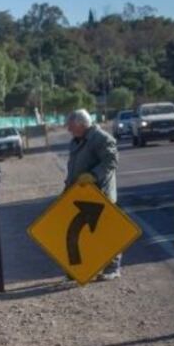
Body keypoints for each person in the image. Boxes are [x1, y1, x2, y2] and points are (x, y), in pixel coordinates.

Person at [64, 108, 120, 281]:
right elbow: (74, 170)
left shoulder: (101, 138)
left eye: (71, 126)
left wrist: (94, 175)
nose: (68, 130)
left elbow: (111, 160)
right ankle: (83, 268)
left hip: (100, 193)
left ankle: (112, 267)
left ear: (82, 124)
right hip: (80, 195)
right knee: (81, 234)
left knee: (105, 231)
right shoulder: (77, 141)